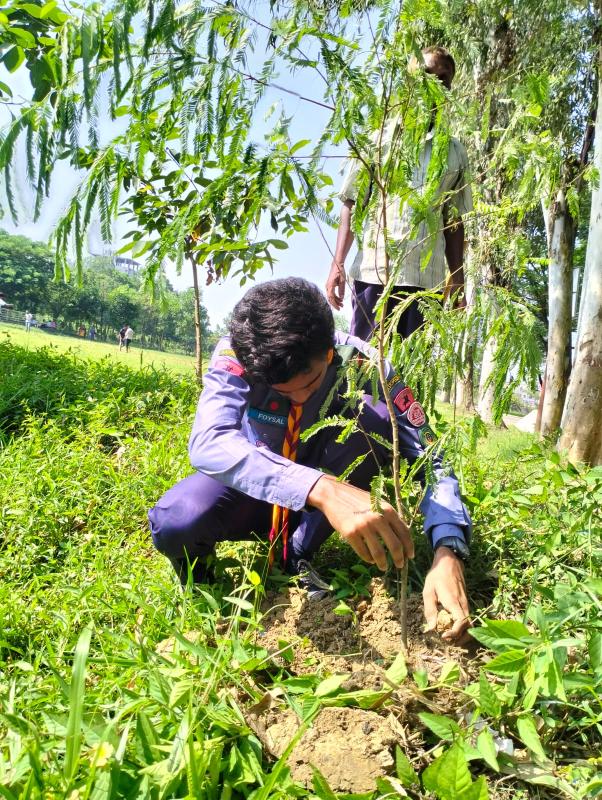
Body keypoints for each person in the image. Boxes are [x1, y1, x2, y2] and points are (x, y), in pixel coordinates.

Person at [149, 278, 472, 642]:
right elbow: (209, 440)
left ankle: (298, 552)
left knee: (376, 420)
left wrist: (448, 549)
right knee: (178, 519)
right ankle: (201, 575)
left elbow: (431, 457)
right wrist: (318, 488)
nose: (300, 399)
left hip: (318, 508)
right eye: (284, 392)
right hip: (256, 487)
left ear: (329, 351)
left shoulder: (365, 363)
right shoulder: (238, 353)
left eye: (311, 383)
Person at [326, 46, 473, 342]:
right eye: (427, 74)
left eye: (443, 78)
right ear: (410, 80)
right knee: (366, 361)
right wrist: (338, 263)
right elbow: (352, 202)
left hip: (426, 283)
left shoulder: (455, 153)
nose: (435, 83)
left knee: (411, 369)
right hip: (375, 273)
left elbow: (453, 220)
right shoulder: (378, 139)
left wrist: (457, 278)